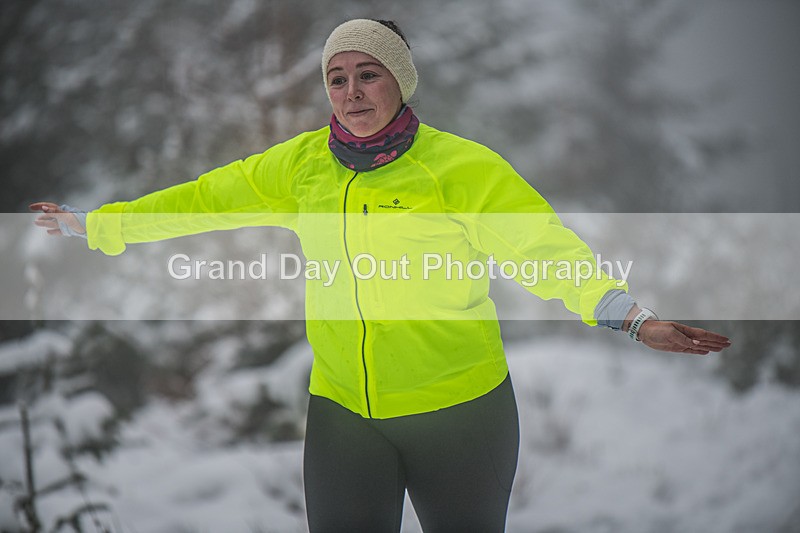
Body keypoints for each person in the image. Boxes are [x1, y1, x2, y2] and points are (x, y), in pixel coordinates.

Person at [30, 18, 731, 533]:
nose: (350, 90)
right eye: (337, 77)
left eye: (368, 73)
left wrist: (631, 317)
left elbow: (546, 252)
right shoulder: (301, 165)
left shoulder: (460, 168)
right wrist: (102, 224)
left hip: (461, 414)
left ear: (401, 80)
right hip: (345, 416)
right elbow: (203, 199)